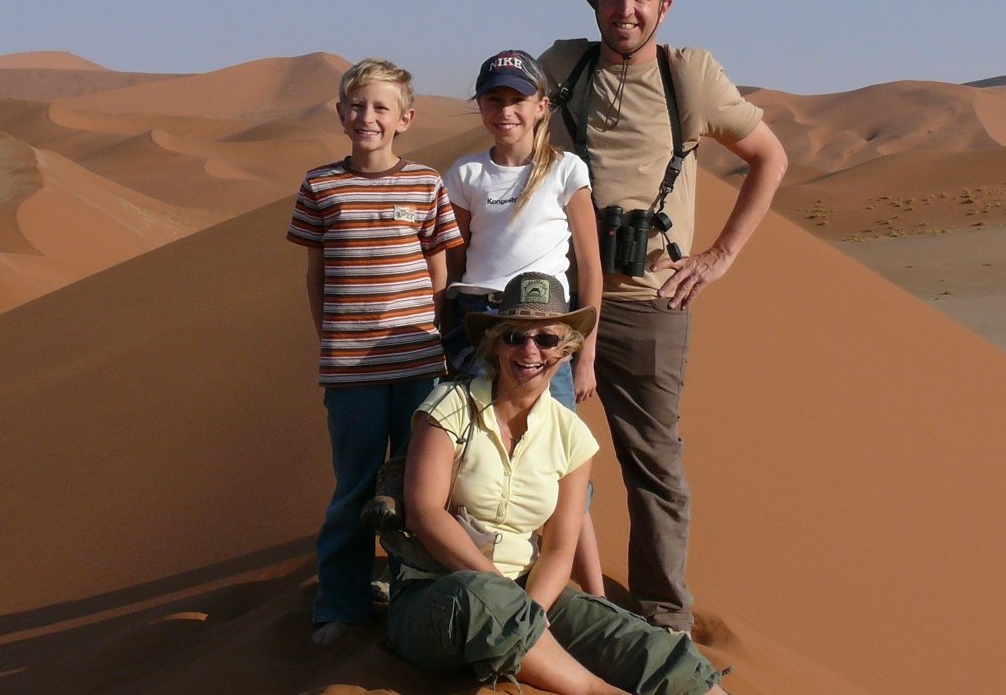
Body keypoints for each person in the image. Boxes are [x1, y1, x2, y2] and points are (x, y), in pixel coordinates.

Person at [539, 0, 789, 634]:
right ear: (597, 0)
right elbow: (499, 116)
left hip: (652, 302)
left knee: (653, 467)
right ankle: (545, 597)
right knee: (539, 453)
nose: (626, 8)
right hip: (556, 303)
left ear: (664, 4)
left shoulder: (692, 77)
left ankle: (660, 619)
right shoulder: (559, 66)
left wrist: (720, 256)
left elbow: (769, 158)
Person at [388, 272, 728, 695]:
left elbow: (559, 548)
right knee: (481, 600)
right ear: (494, 342)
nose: (529, 350)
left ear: (567, 350)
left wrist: (532, 608)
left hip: (531, 597)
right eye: (513, 336)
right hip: (437, 599)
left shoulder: (572, 437)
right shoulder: (449, 407)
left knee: (644, 645)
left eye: (546, 339)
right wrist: (512, 605)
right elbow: (424, 514)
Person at [287, 58, 463, 645]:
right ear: (340, 114)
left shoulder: (426, 183)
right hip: (351, 371)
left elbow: (441, 276)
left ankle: (414, 591)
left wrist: (435, 343)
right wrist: (332, 344)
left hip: (418, 366)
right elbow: (315, 277)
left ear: (405, 119)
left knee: (420, 490)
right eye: (357, 106)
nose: (368, 117)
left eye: (381, 108)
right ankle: (340, 603)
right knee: (355, 489)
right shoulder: (320, 186)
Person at [440, 48, 607, 596]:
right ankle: (475, 580)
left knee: (562, 467)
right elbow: (455, 260)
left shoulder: (565, 169)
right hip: (481, 324)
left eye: (517, 98)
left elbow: (589, 264)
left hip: (546, 331)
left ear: (541, 105)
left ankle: (594, 598)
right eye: (493, 99)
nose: (505, 110)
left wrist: (585, 353)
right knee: (470, 454)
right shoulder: (465, 173)